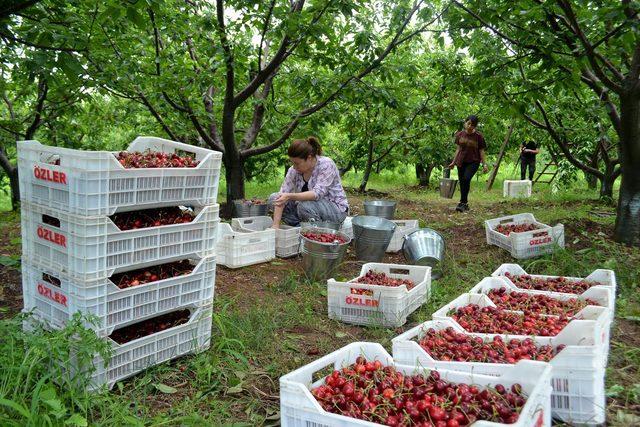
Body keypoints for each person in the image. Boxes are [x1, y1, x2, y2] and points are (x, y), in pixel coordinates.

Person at [269, 136, 349, 228]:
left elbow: (317, 194)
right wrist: (275, 226)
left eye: (297, 163)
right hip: (307, 209)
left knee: (304, 206)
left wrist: (290, 196)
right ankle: (298, 227)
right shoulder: (293, 170)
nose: (294, 167)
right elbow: (281, 196)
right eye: (292, 163)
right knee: (274, 199)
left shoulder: (326, 164)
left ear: (309, 158)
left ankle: (320, 230)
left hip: (335, 210)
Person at [448, 115, 488, 212]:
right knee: (462, 181)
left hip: (473, 161)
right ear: (465, 123)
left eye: (473, 125)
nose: (470, 126)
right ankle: (463, 203)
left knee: (466, 178)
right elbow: (458, 149)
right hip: (461, 161)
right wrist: (453, 162)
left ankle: (463, 202)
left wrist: (484, 164)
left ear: (475, 126)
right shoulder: (460, 134)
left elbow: (481, 151)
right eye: (468, 123)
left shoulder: (479, 136)